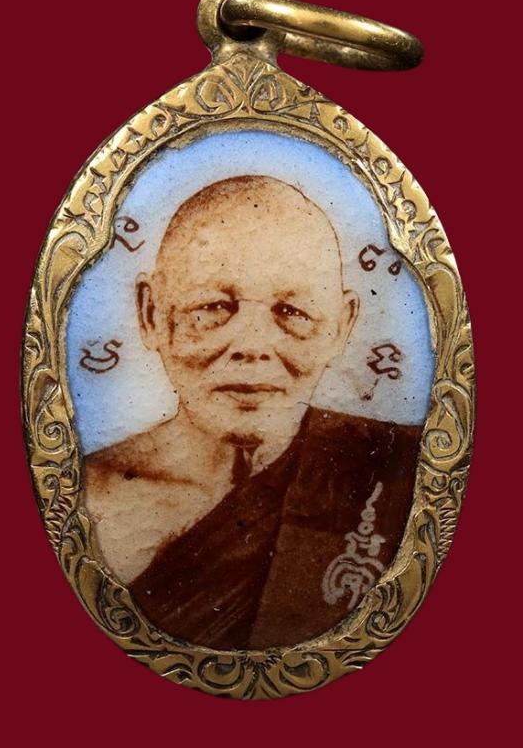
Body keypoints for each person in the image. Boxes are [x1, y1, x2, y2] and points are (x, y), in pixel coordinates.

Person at [84, 175, 422, 649]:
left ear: (341, 327)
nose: (252, 345)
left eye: (292, 312)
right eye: (213, 307)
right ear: (151, 314)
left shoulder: (397, 469)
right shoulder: (84, 495)